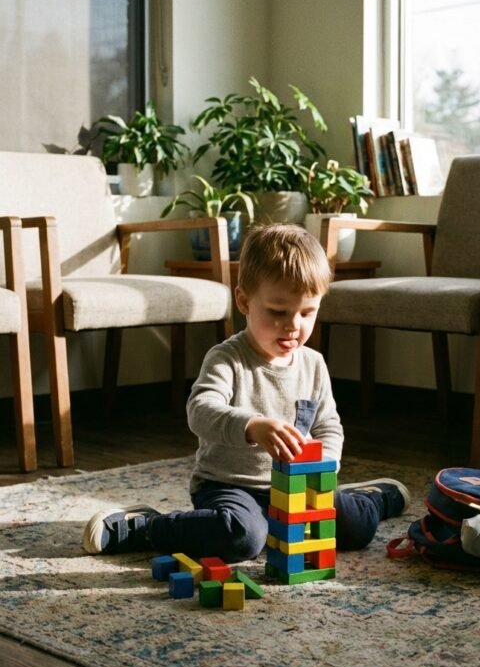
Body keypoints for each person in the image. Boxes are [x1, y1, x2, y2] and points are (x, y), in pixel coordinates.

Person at [82, 223, 410, 560]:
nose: (294, 325)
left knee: (357, 529)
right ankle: (148, 526)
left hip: (299, 486)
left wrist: (324, 467)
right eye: (278, 312)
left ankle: (373, 498)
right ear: (244, 301)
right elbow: (200, 410)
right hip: (230, 486)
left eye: (307, 312)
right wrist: (251, 426)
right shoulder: (227, 358)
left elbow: (328, 425)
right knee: (243, 538)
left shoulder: (313, 364)